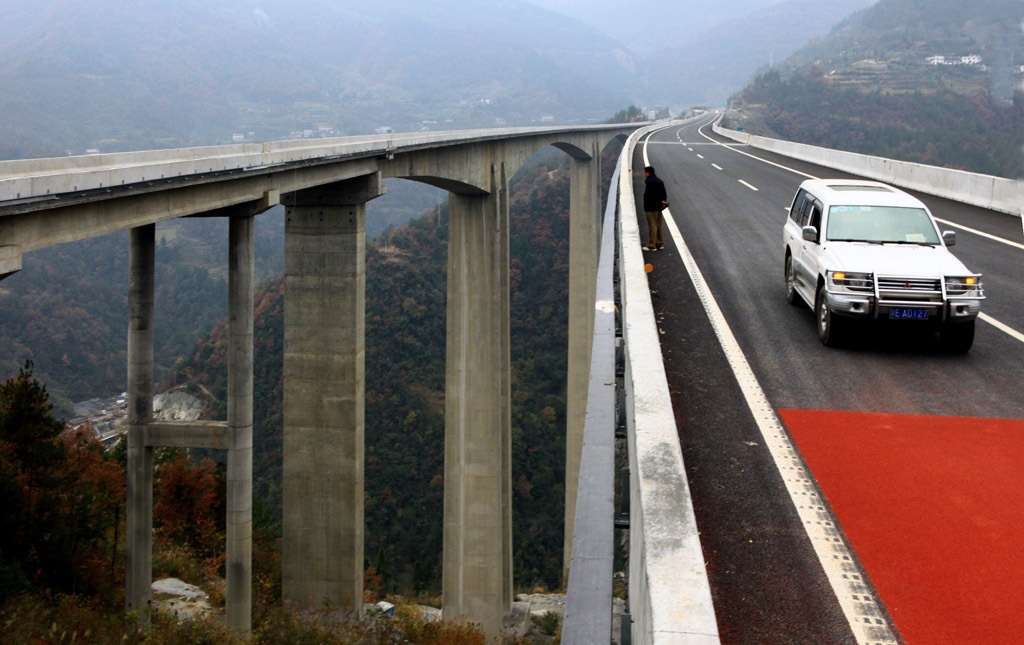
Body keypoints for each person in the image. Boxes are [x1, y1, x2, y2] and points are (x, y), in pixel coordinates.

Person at [643, 166, 668, 251]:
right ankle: (659, 243)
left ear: (648, 173)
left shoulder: (650, 182)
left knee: (652, 226)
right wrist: (663, 203)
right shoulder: (659, 181)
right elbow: (664, 194)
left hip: (651, 207)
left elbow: (650, 196)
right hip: (659, 207)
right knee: (658, 225)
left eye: (645, 172)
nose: (644, 174)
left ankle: (652, 245)